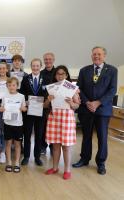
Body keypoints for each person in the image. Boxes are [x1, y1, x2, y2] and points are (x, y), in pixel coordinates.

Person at [72, 46, 117, 175]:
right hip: (86, 109)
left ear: (104, 56)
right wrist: (87, 102)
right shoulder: (84, 70)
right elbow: (79, 89)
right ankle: (84, 159)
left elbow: (112, 90)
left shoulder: (112, 70)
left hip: (103, 110)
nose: (96, 56)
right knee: (86, 136)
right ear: (91, 56)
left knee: (102, 137)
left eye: (99, 54)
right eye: (94, 54)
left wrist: (97, 103)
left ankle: (101, 163)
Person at [44, 65, 80, 180]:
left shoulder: (72, 88)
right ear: (55, 75)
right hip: (54, 118)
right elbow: (44, 105)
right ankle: (55, 168)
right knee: (55, 146)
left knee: (66, 147)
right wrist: (48, 100)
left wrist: (71, 103)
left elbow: (77, 106)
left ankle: (67, 170)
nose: (60, 76)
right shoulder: (51, 88)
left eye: (63, 74)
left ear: (66, 75)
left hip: (67, 119)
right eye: (58, 74)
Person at [19, 58, 47, 166]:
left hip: (40, 112)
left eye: (37, 66)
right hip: (29, 111)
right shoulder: (26, 78)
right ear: (31, 67)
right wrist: (26, 101)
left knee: (39, 135)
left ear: (41, 66)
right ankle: (26, 156)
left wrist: (44, 101)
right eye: (33, 66)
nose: (35, 68)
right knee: (27, 134)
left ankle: (37, 157)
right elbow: (22, 93)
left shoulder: (45, 79)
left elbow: (47, 93)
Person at [0, 77, 27, 173]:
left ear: (17, 86)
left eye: (14, 85)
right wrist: (1, 109)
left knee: (17, 144)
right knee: (8, 143)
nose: (12, 87)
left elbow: (24, 108)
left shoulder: (21, 96)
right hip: (7, 123)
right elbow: (2, 107)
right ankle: (9, 162)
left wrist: (23, 109)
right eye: (10, 85)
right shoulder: (4, 96)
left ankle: (16, 162)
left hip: (18, 124)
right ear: (7, 86)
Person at [40, 52, 56, 155]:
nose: (48, 61)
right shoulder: (41, 73)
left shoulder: (57, 72)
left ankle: (53, 147)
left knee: (54, 127)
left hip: (56, 105)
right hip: (44, 105)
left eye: (49, 59)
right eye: (45, 59)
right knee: (43, 127)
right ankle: (43, 146)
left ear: (53, 60)